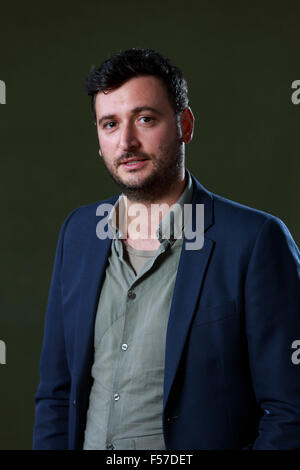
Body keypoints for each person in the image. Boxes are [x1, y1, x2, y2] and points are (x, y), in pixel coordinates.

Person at [32, 48, 300, 450]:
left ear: (185, 125)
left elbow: (290, 412)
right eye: (110, 124)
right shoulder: (79, 233)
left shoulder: (256, 240)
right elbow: (56, 394)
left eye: (145, 119)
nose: (127, 142)